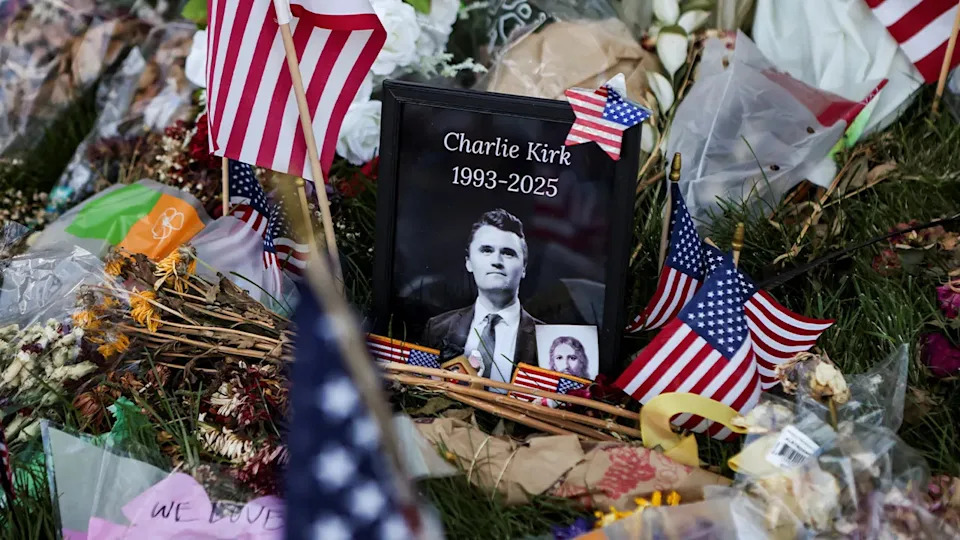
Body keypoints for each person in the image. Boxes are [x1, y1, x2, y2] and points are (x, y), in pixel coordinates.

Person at [422, 209, 542, 384]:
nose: (496, 261)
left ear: (524, 267)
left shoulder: (546, 340)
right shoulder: (437, 329)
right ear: (468, 262)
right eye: (486, 250)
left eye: (508, 253)